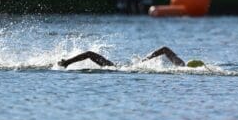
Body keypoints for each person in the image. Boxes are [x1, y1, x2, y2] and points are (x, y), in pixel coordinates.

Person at [58, 46, 205, 69]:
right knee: (90, 53)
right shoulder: (181, 66)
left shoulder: (181, 66)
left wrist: (146, 60)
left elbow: (165, 49)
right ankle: (66, 63)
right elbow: (165, 49)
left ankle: (66, 63)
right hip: (130, 67)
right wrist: (145, 60)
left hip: (118, 70)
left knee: (90, 54)